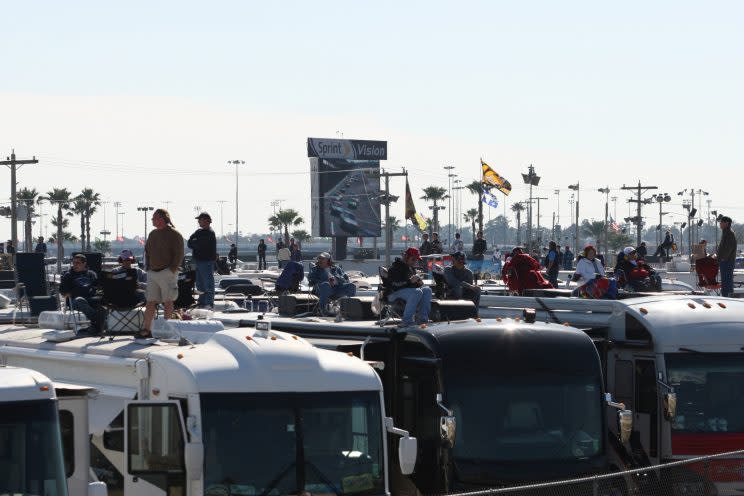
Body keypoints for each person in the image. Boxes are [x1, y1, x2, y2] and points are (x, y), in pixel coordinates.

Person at [140, 209, 184, 339]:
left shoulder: (175, 234)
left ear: (162, 219)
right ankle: (146, 329)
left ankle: (167, 329)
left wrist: (172, 269)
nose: (152, 220)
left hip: (167, 272)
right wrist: (148, 267)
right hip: (152, 272)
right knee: (150, 301)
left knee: (168, 301)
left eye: (154, 218)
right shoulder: (152, 234)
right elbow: (147, 251)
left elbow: (179, 254)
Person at [388, 247, 432, 326]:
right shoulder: (396, 267)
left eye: (416, 260)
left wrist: (418, 283)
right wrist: (410, 281)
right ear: (406, 257)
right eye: (413, 259)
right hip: (393, 292)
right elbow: (395, 285)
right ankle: (407, 320)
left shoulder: (411, 269)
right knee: (417, 292)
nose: (415, 262)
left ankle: (422, 319)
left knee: (427, 290)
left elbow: (411, 286)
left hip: (407, 291)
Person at [60, 254, 101, 335]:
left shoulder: (91, 274)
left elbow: (98, 286)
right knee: (79, 300)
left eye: (77, 263)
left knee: (104, 299)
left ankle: (97, 325)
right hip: (75, 301)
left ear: (84, 263)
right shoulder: (68, 275)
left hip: (92, 299)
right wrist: (66, 293)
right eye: (74, 263)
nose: (75, 265)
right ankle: (99, 321)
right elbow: (63, 291)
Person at [188, 212, 217, 309]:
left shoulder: (210, 233)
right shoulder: (198, 232)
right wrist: (196, 244)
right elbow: (190, 242)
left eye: (200, 219)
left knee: (208, 283)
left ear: (206, 220)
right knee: (200, 284)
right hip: (198, 261)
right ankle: (201, 302)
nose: (199, 221)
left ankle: (209, 303)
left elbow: (200, 245)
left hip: (207, 261)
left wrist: (195, 244)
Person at [715, 216, 737, 297]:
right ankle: (726, 297)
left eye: (721, 222)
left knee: (727, 282)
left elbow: (728, 249)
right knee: (725, 281)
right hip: (725, 261)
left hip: (727, 262)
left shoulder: (729, 234)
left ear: (727, 223)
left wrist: (722, 258)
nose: (720, 224)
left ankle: (728, 299)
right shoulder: (726, 232)